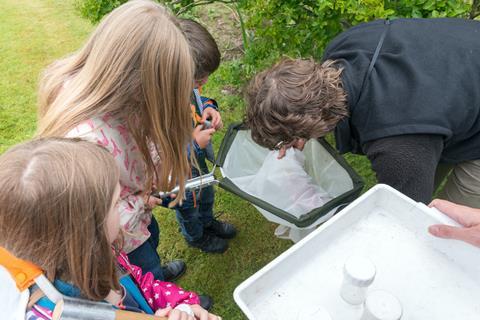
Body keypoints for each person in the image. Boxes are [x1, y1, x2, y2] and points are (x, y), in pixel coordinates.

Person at [245, 18, 480, 208]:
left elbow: (406, 211)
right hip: (462, 57)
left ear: (318, 125)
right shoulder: (342, 48)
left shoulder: (396, 146)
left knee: (444, 224)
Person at [36, 0, 193, 282]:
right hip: (120, 241)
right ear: (137, 86)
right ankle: (157, 291)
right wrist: (140, 201)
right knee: (143, 271)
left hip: (139, 216)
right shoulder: (86, 142)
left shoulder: (108, 99)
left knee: (150, 244)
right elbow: (91, 219)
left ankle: (156, 273)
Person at [0, 138, 220, 320]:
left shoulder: (102, 253)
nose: (122, 207)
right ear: (86, 231)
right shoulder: (59, 313)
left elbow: (141, 285)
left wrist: (182, 304)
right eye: (116, 203)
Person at [175, 19, 236, 253]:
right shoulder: (159, 107)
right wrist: (194, 144)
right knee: (188, 207)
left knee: (206, 194)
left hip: (197, 164)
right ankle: (196, 236)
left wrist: (210, 108)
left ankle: (208, 221)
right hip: (180, 175)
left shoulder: (185, 88)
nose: (203, 83)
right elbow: (161, 155)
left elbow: (198, 103)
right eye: (198, 79)